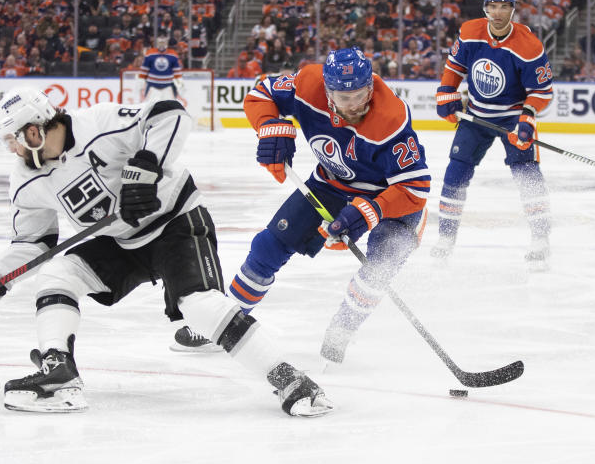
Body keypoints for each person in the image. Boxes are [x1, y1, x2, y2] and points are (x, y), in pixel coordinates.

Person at [0, 87, 332, 417]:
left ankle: (292, 382)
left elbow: (170, 114)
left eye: (13, 139)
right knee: (57, 275)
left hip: (176, 223)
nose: (12, 150)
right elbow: (33, 244)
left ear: (34, 131)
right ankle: (58, 373)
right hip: (121, 243)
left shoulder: (100, 123)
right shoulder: (25, 179)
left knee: (198, 305)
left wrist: (146, 165)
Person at [172, 48, 430, 363]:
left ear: (371, 88)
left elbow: (414, 188)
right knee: (269, 245)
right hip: (330, 184)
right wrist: (270, 128)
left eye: (359, 95)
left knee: (377, 270)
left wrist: (365, 213)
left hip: (389, 198)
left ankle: (341, 331)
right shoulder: (308, 84)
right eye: (342, 96)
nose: (351, 106)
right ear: (327, 89)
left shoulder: (391, 119)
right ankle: (227, 323)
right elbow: (261, 93)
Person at [431, 0, 554, 270]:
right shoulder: (470, 31)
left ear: (513, 8)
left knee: (527, 175)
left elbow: (542, 91)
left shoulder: (529, 45)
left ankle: (541, 238)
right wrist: (446, 92)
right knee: (455, 174)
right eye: (493, 6)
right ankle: (446, 239)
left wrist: (528, 115)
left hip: (512, 118)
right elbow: (455, 67)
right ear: (485, 7)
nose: (498, 12)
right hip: (476, 116)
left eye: (504, 6)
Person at [136, 35, 182, 103]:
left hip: (168, 85)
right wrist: (141, 84)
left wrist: (179, 84)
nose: (162, 44)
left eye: (163, 42)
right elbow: (144, 71)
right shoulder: (150, 53)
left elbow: (177, 73)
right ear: (157, 43)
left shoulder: (173, 54)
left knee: (170, 106)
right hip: (152, 85)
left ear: (166, 43)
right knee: (149, 106)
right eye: (160, 42)